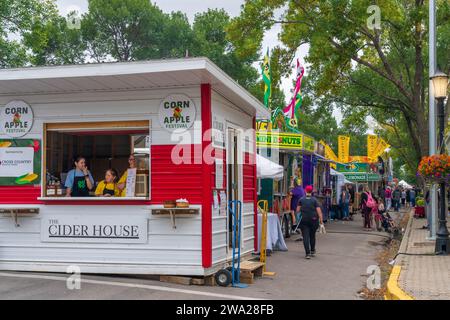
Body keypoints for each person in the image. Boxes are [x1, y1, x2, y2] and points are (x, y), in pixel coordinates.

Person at [297, 185, 324, 259]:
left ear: (305, 191)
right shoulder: (315, 200)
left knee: (305, 236)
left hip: (304, 220)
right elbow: (319, 211)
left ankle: (307, 253)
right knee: (312, 235)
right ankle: (312, 250)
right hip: (314, 220)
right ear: (311, 192)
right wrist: (321, 220)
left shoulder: (301, 199)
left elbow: (297, 210)